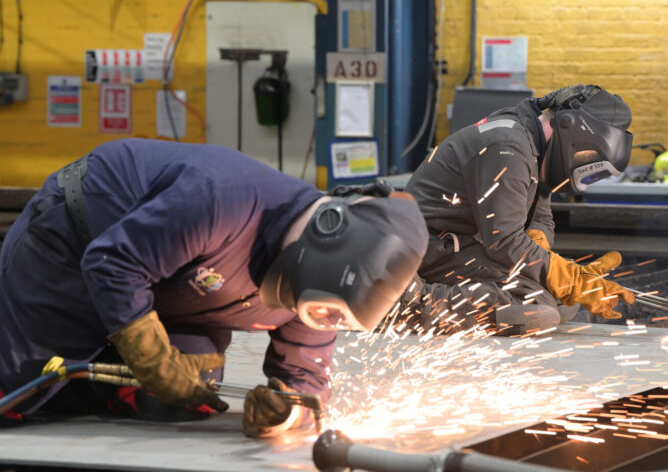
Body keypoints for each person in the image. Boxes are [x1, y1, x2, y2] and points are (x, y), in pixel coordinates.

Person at [0, 139, 427, 437]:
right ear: (325, 239)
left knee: (191, 393)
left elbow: (303, 382)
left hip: (166, 287)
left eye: (336, 318)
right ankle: (55, 377)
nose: (324, 322)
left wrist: (283, 413)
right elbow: (111, 263)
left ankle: (79, 382)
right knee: (14, 396)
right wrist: (152, 358)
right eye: (329, 312)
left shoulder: (315, 294)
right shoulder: (219, 200)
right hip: (74, 246)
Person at [401, 84, 637, 334]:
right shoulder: (507, 147)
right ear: (575, 133)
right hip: (427, 248)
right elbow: (504, 240)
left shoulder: (536, 147)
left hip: (465, 245)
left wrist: (559, 268)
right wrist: (565, 277)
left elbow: (541, 218)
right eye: (589, 161)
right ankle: (413, 302)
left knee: (559, 302)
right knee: (533, 304)